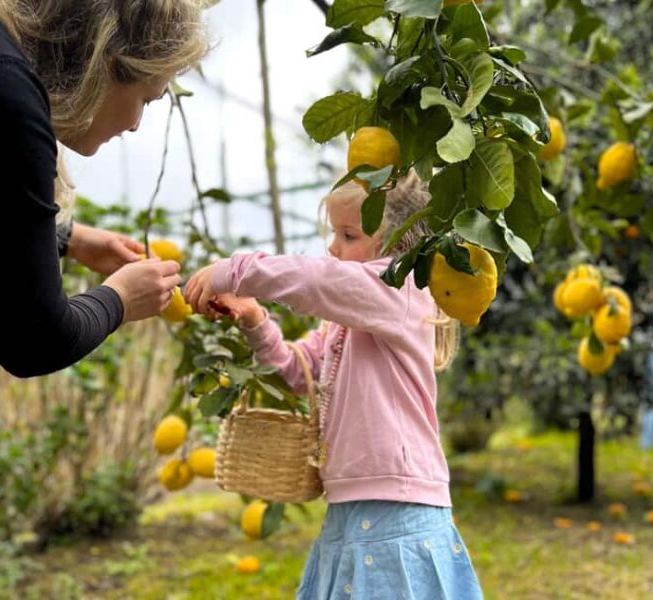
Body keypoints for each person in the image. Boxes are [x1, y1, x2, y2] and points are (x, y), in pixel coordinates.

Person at [185, 173, 483, 599]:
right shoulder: (347, 319)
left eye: (348, 235)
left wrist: (235, 271)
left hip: (397, 505)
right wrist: (254, 320)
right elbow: (296, 369)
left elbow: (316, 280)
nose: (332, 247)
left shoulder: (399, 289)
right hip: (350, 503)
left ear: (397, 242)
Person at [0, 0, 207, 377]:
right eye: (146, 99)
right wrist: (121, 298)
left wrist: (66, 239)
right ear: (107, 62)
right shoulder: (3, 96)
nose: (134, 126)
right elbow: (32, 340)